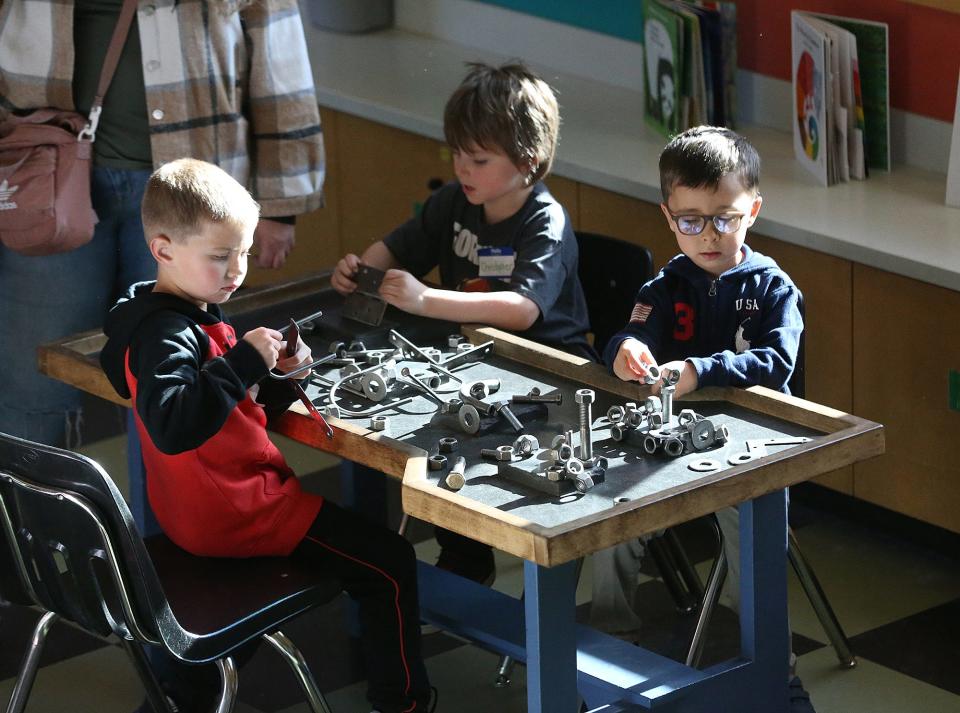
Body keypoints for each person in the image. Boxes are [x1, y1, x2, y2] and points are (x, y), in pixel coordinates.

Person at [98, 158, 432, 713]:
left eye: (244, 252)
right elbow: (177, 424)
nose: (236, 270)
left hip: (195, 513)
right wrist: (242, 362)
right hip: (241, 515)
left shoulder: (160, 316)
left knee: (241, 629)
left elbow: (227, 410)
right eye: (219, 256)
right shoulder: (166, 335)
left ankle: (184, 696)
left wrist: (278, 374)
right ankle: (406, 706)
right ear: (162, 250)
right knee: (390, 563)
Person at [0, 0, 324, 449]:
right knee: (30, 384)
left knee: (180, 385)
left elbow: (279, 54)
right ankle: (20, 516)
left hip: (193, 193)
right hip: (42, 174)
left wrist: (282, 203)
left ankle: (159, 517)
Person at [331, 62, 595, 584]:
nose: (463, 170)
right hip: (475, 365)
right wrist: (361, 269)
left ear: (529, 162)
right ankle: (461, 555)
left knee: (453, 437)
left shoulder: (545, 219)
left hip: (548, 375)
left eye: (478, 159)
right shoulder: (454, 201)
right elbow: (396, 246)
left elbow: (522, 310)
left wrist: (427, 299)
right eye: (457, 155)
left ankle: (478, 559)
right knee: (430, 433)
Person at [591, 126, 810, 707]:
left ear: (753, 211)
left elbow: (776, 362)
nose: (708, 234)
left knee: (754, 534)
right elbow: (627, 335)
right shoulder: (664, 287)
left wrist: (698, 371)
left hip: (753, 449)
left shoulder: (772, 289)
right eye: (691, 220)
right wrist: (623, 352)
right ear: (668, 217)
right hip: (672, 446)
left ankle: (768, 663)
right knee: (609, 518)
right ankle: (610, 645)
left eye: (724, 217)